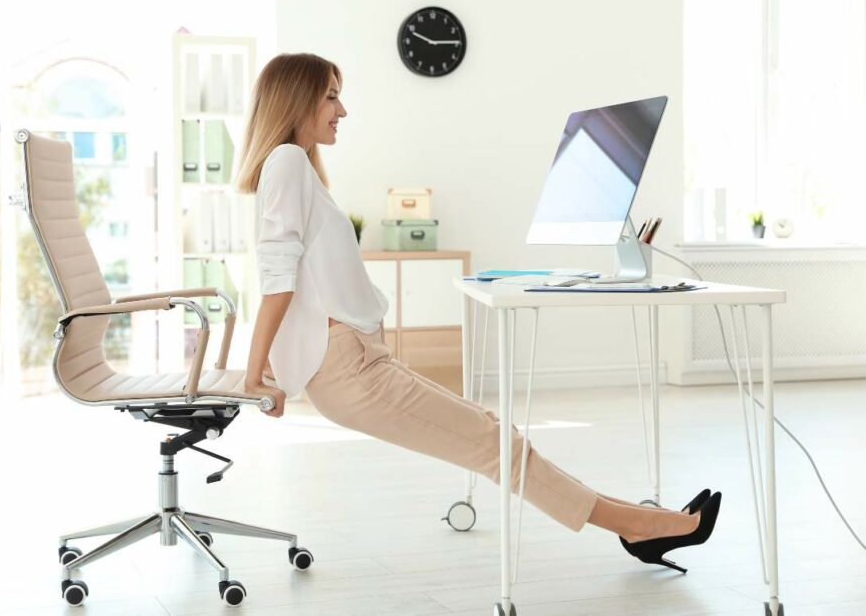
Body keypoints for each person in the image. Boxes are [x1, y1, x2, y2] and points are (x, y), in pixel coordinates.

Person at [235, 52, 720, 572]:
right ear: (296, 99)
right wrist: (253, 372)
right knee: (496, 446)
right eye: (331, 96)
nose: (342, 110)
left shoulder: (297, 168)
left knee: (496, 435)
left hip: (358, 360)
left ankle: (637, 521)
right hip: (347, 369)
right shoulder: (287, 162)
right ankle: (644, 528)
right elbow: (278, 277)